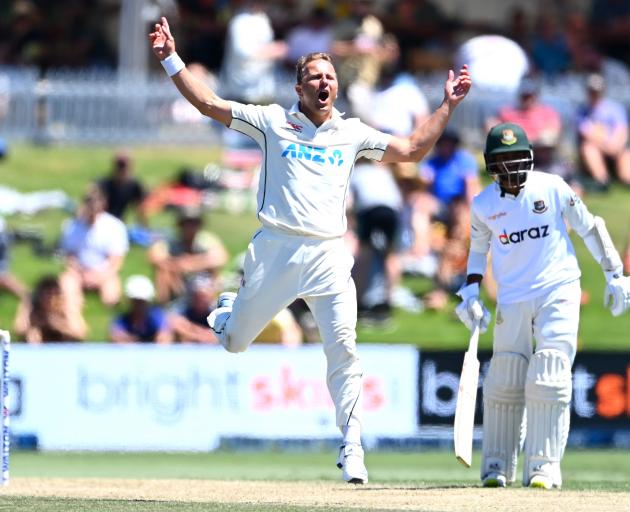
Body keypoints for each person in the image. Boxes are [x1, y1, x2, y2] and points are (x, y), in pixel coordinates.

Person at [150, 16, 471, 484]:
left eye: (330, 77)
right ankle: (227, 314)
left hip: (327, 255)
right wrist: (170, 59)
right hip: (275, 250)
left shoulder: (352, 132)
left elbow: (412, 149)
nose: (324, 82)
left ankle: (353, 446)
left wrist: (448, 104)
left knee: (343, 349)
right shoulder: (272, 122)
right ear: (299, 88)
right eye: (315, 77)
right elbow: (209, 103)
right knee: (237, 343)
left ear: (336, 88)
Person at [455, 122, 630, 489]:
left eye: (517, 157)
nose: (511, 167)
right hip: (512, 295)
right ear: (490, 164)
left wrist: (615, 273)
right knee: (504, 376)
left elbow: (589, 226)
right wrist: (470, 292)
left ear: (530, 157)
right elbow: (477, 250)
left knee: (549, 372)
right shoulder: (483, 204)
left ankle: (542, 466)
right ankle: (497, 465)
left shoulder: (551, 186)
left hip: (559, 288)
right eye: (503, 160)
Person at [59, 186, 129, 324]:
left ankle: (111, 321)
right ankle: (74, 318)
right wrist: (79, 271)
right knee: (67, 285)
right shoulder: (72, 226)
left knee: (111, 294)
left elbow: (116, 260)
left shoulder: (114, 226)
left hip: (104, 271)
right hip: (78, 271)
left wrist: (100, 275)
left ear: (103, 205)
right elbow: (69, 256)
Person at [147, 205, 228, 304]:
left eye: (194, 223)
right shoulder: (171, 241)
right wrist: (177, 266)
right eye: (187, 223)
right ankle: (164, 307)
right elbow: (154, 257)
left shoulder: (206, 240)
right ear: (180, 224)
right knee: (163, 272)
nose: (190, 227)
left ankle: (209, 305)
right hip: (177, 283)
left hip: (201, 281)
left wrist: (190, 263)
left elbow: (221, 258)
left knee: (213, 271)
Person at [577, 73, 630, 190]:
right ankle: (602, 181)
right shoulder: (582, 111)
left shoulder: (615, 108)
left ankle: (626, 180)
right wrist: (606, 145)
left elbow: (622, 130)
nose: (594, 94)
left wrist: (615, 145)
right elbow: (587, 134)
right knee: (589, 148)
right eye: (592, 91)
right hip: (598, 147)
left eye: (597, 91)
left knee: (626, 155)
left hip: (616, 147)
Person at [15, 274, 87, 343]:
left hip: (63, 344)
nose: (50, 300)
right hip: (40, 344)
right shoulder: (32, 306)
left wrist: (57, 324)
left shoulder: (66, 306)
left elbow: (80, 333)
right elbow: (19, 329)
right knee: (33, 334)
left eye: (53, 295)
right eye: (46, 295)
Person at [110, 275, 172, 344]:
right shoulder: (122, 320)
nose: (139, 305)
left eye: (142, 301)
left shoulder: (156, 317)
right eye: (136, 301)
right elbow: (116, 336)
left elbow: (165, 337)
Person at [97, 151, 148, 225]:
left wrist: (146, 230)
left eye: (123, 166)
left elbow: (141, 211)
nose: (122, 170)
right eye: (119, 165)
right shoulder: (103, 185)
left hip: (120, 225)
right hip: (102, 224)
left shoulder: (134, 185)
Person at [168, 273, 220, 343]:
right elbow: (173, 322)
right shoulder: (184, 308)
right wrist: (201, 335)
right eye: (197, 295)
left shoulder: (219, 310)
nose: (201, 299)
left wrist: (191, 329)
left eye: (204, 295)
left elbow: (222, 334)